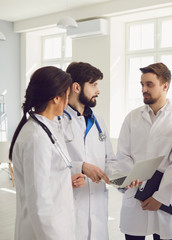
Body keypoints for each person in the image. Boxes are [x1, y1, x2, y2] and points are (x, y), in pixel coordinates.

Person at [116, 62, 172, 240]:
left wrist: (160, 197)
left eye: (149, 84)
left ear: (165, 86)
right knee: (133, 234)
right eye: (142, 84)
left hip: (162, 199)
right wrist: (133, 179)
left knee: (163, 234)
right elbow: (123, 154)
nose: (144, 89)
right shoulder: (132, 118)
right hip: (135, 196)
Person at [9, 66, 85, 240]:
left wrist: (64, 182)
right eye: (67, 95)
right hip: (45, 232)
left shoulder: (47, 127)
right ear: (56, 98)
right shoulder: (37, 137)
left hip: (58, 224)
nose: (68, 100)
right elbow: (39, 203)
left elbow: (43, 180)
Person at [60, 61, 115, 240]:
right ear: (76, 87)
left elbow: (109, 160)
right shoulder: (57, 121)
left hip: (98, 205)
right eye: (93, 85)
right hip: (71, 204)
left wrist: (122, 178)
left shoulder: (98, 120)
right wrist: (80, 167)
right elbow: (50, 163)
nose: (98, 91)